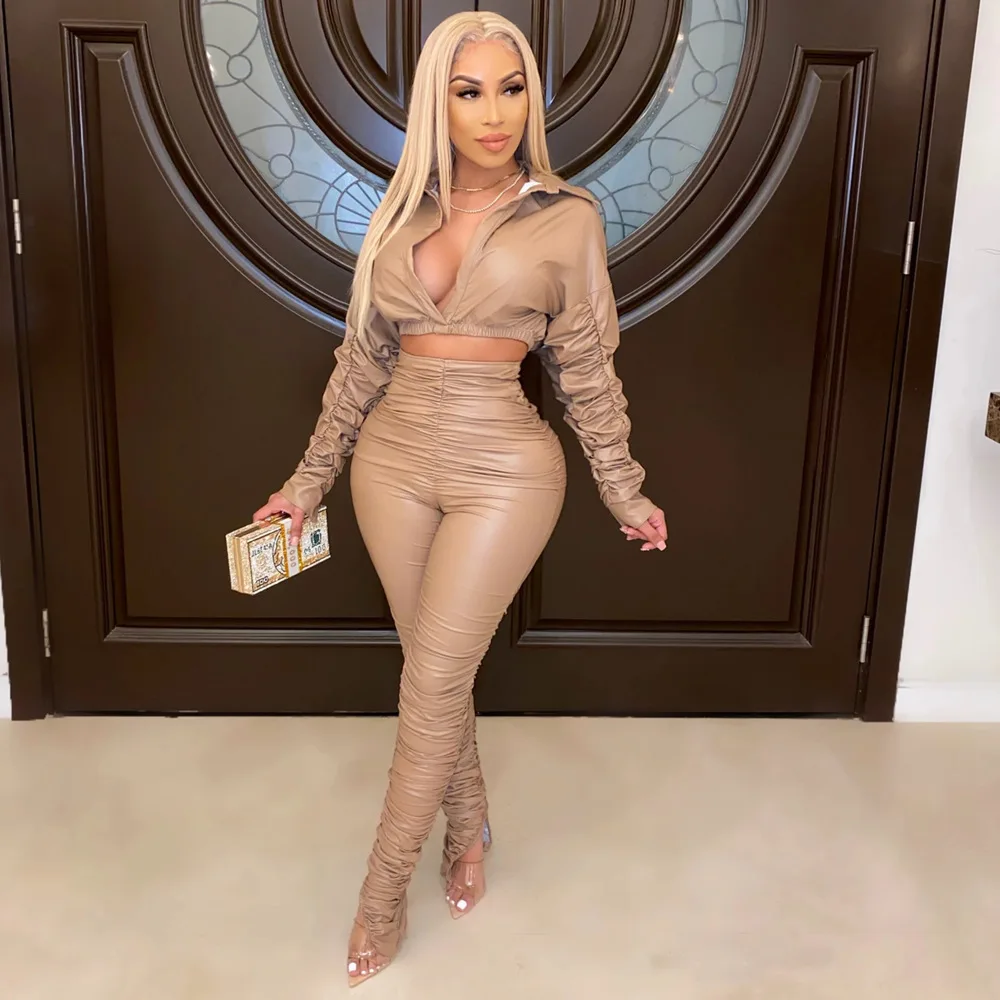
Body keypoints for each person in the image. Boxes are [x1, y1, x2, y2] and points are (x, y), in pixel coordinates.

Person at [253, 10, 668, 987]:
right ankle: (471, 825)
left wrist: (623, 487)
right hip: (390, 462)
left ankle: (381, 895)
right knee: (435, 675)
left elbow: (586, 367)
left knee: (432, 683)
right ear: (435, 104)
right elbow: (360, 363)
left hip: (503, 469)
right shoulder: (398, 214)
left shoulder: (565, 217)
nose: (494, 113)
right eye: (469, 91)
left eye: (512, 89)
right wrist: (305, 483)